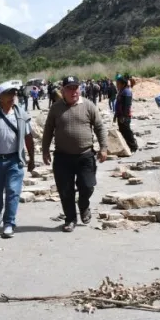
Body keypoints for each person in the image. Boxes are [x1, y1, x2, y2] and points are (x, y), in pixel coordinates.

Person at [41, 76, 107, 233]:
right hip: (62, 157)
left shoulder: (89, 106)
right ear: (63, 91)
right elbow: (48, 130)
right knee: (65, 190)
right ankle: (70, 219)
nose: (73, 91)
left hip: (85, 155)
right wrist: (45, 150)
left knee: (88, 186)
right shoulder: (56, 108)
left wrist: (103, 147)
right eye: (69, 88)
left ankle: (84, 206)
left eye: (76, 88)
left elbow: (99, 127)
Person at [0, 81, 35, 238]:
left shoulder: (21, 114)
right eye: (9, 94)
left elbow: (28, 137)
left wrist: (31, 157)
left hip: (15, 160)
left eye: (14, 93)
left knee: (13, 191)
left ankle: (9, 223)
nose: (12, 97)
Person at [114, 75, 138, 153]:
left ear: (123, 84)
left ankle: (133, 146)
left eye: (118, 83)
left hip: (125, 116)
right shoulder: (121, 91)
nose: (117, 85)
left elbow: (127, 106)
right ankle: (127, 146)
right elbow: (118, 104)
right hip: (120, 115)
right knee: (122, 130)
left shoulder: (127, 91)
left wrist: (124, 116)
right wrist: (116, 115)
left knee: (127, 131)